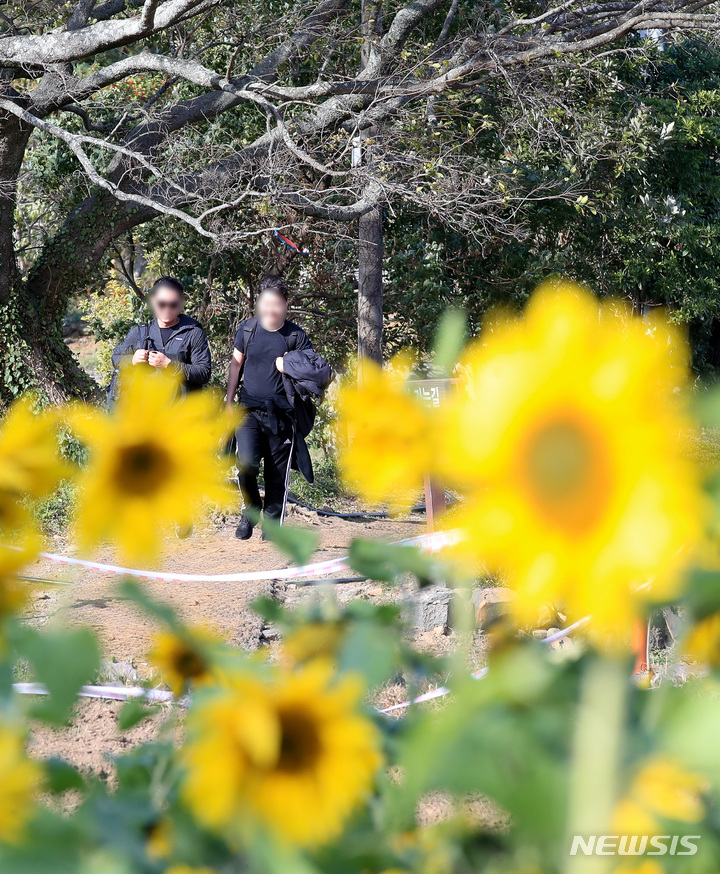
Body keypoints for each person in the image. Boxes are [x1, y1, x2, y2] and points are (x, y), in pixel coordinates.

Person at [227, 275, 332, 540]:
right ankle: (251, 510)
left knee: (277, 472)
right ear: (259, 303)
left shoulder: (295, 336)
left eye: (277, 304)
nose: (271, 309)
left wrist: (289, 367)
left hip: (283, 413)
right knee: (246, 464)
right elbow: (236, 365)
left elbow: (317, 371)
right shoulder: (247, 329)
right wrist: (228, 400)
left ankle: (272, 525)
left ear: (286, 305)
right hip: (248, 410)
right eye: (266, 303)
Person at [111, 277, 212, 394]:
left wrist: (169, 365)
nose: (167, 309)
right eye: (162, 304)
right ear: (153, 301)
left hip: (183, 410)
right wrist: (132, 360)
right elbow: (116, 358)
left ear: (181, 303)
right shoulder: (140, 332)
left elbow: (204, 373)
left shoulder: (193, 333)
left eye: (173, 305)